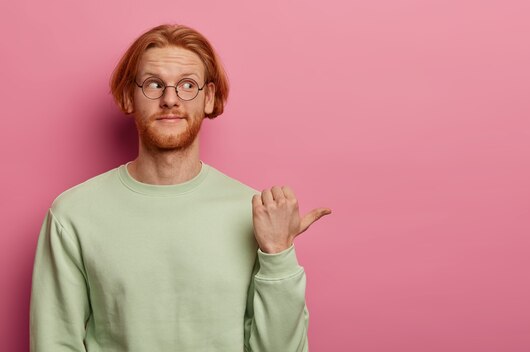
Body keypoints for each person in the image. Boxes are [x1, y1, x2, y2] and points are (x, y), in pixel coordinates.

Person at [29, 23, 331, 352]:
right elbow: (54, 343)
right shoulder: (73, 215)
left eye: (187, 85)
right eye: (154, 84)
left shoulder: (255, 213)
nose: (170, 99)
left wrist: (279, 255)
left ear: (209, 98)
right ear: (130, 96)